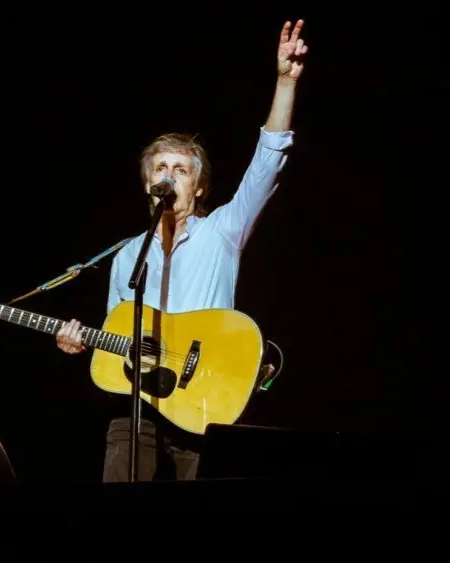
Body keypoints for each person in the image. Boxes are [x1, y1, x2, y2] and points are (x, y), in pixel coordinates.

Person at [56, 18, 309, 482]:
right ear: (148, 185)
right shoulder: (125, 256)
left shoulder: (222, 232)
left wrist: (284, 82)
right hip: (139, 406)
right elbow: (117, 337)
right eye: (160, 168)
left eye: (181, 169)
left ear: (197, 185)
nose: (168, 175)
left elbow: (268, 162)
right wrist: (79, 340)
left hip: (205, 396)